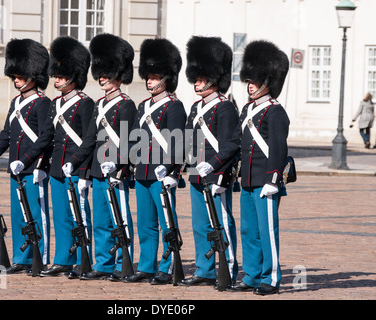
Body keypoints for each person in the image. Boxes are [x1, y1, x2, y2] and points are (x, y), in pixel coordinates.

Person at [9, 36, 94, 278]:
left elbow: (89, 140)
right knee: (61, 217)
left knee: (80, 216)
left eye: (60, 76)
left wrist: (85, 171)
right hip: (57, 169)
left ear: (73, 76)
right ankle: (63, 260)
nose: (56, 80)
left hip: (76, 169)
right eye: (55, 76)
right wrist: (29, 161)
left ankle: (83, 260)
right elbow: (45, 138)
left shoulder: (85, 104)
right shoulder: (56, 104)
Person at [62, 33, 136, 281]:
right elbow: (90, 139)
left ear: (118, 75)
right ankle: (103, 264)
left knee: (120, 220)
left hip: (115, 172)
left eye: (106, 73)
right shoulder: (99, 104)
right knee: (102, 221)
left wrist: (117, 165)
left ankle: (124, 262)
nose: (101, 77)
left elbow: (129, 142)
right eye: (100, 73)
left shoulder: (126, 105)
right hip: (97, 171)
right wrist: (74, 161)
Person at [0, 38, 52, 274]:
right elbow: (7, 135)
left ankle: (40, 257)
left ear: (33, 75)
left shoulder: (42, 103)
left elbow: (44, 138)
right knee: (19, 215)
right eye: (15, 76)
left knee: (36, 216)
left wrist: (27, 160)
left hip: (31, 168)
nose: (16, 80)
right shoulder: (16, 102)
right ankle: (22, 257)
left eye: (20, 76)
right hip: (15, 169)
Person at [229, 40, 290, 295]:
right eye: (249, 81)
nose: (250, 85)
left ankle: (271, 278)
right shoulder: (246, 109)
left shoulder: (275, 112)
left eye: (254, 81)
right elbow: (237, 143)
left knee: (267, 232)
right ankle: (252, 275)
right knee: (249, 231)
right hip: (247, 180)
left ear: (267, 83)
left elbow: (278, 148)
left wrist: (273, 179)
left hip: (265, 181)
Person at [124, 38, 187, 285]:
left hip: (162, 175)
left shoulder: (174, 107)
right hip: (142, 172)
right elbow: (135, 139)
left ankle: (167, 265)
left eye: (154, 77)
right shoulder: (143, 106)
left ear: (166, 79)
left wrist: (172, 169)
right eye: (148, 77)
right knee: (146, 225)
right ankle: (147, 265)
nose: (149, 81)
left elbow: (179, 142)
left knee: (166, 222)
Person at [179, 36, 239, 287]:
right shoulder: (195, 107)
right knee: (200, 224)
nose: (198, 83)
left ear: (214, 80)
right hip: (196, 172)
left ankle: (230, 268)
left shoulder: (224, 108)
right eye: (197, 78)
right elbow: (188, 139)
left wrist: (214, 166)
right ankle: (203, 269)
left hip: (216, 174)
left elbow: (230, 145)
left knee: (222, 223)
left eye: (203, 79)